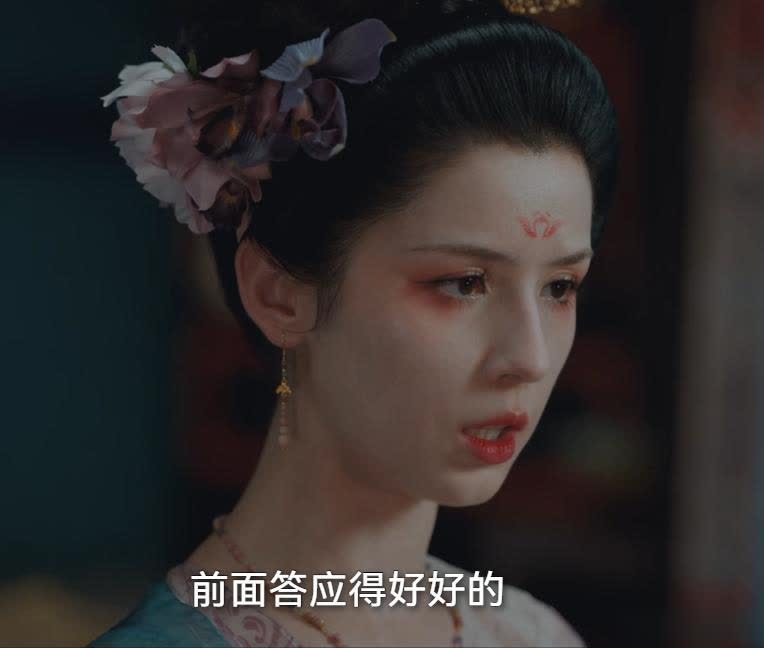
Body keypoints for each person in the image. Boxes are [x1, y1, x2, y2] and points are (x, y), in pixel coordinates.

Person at [91, 0, 618, 645]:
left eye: (560, 287)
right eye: (463, 282)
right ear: (279, 295)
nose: (530, 358)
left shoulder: (533, 636)